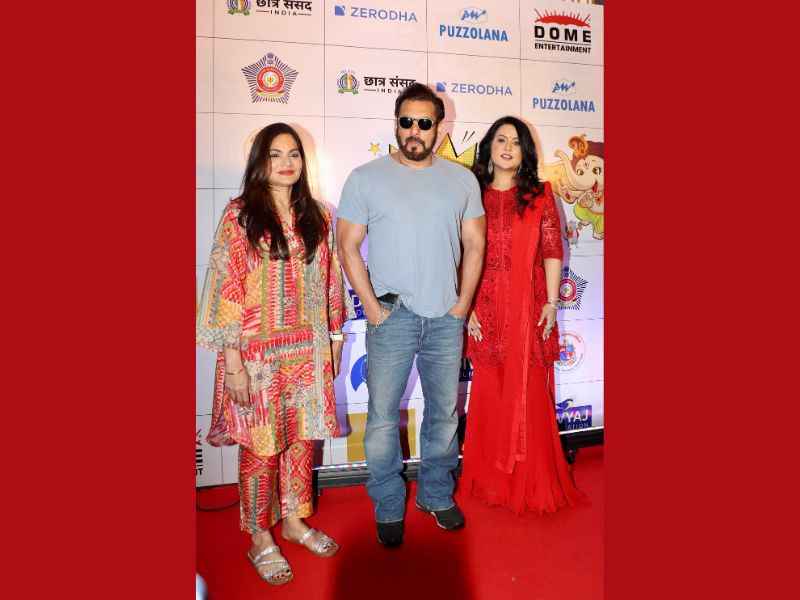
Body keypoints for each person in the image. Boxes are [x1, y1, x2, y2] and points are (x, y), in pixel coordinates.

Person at [196, 123, 354, 585]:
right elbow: (226, 287)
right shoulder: (241, 215)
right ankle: (259, 536)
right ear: (259, 162)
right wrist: (233, 364)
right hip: (257, 359)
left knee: (302, 441)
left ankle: (294, 521)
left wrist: (335, 339)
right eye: (275, 154)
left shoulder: (318, 215)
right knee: (261, 448)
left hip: (308, 352)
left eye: (294, 154)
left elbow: (330, 280)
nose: (286, 163)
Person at [337, 83, 486, 546]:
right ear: (396, 124)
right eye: (407, 122)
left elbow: (475, 243)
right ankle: (387, 502)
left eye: (424, 122)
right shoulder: (365, 177)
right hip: (392, 316)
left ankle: (436, 494)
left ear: (439, 128)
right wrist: (372, 308)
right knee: (382, 419)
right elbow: (346, 245)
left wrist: (462, 305)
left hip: (446, 318)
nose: (415, 130)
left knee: (443, 415)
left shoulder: (462, 180)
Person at [461, 116, 589, 517]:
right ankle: (493, 483)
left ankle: (532, 483)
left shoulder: (539, 195)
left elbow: (552, 249)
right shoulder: (471, 193)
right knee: (490, 389)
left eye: (516, 142)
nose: (507, 148)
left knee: (530, 390)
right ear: (489, 146)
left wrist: (551, 302)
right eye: (500, 140)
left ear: (525, 152)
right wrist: (465, 304)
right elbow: (459, 250)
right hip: (484, 305)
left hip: (529, 307)